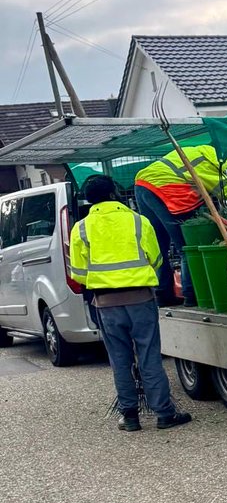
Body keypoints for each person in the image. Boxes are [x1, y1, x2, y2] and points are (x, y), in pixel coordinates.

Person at [69, 174, 192, 433]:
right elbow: (157, 259)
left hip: (106, 304)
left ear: (87, 199)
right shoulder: (138, 221)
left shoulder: (80, 228)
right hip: (141, 299)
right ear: (114, 193)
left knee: (120, 361)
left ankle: (130, 417)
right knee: (149, 357)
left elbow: (77, 273)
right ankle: (164, 414)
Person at [134, 144, 227, 306]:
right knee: (186, 248)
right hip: (166, 192)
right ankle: (192, 296)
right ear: (222, 159)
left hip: (142, 185)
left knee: (158, 246)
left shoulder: (194, 152)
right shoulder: (207, 164)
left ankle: (162, 295)